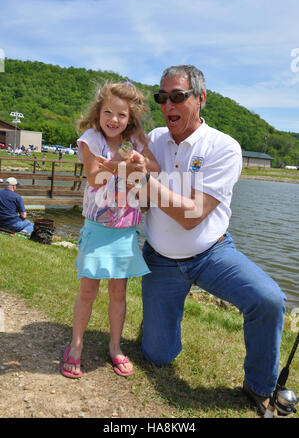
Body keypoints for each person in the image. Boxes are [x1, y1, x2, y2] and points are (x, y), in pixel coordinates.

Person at [128, 65, 286, 416]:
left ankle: (259, 386)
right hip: (159, 259)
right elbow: (138, 200)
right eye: (162, 97)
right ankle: (160, 323)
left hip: (211, 253)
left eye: (178, 96)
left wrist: (143, 182)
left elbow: (193, 215)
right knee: (157, 356)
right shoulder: (153, 139)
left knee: (269, 300)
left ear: (200, 98)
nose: (168, 103)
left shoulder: (223, 147)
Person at [61, 82, 160, 379]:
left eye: (121, 115)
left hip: (126, 231)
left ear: (131, 118)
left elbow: (153, 165)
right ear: (98, 112)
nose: (114, 120)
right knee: (88, 290)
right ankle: (75, 345)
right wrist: (125, 167)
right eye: (108, 112)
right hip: (97, 229)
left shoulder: (136, 139)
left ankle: (115, 346)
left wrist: (136, 162)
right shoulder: (90, 139)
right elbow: (94, 178)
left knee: (119, 292)